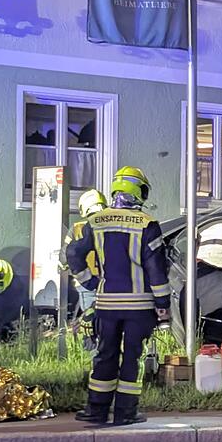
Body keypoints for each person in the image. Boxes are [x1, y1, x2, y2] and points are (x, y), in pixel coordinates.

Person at [67, 167, 170, 426]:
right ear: (138, 191)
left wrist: (89, 282)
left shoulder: (96, 221)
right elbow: (156, 270)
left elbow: (73, 253)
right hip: (139, 306)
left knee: (105, 354)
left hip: (106, 305)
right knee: (132, 358)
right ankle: (125, 412)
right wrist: (163, 305)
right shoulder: (148, 224)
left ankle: (96, 409)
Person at [60, 190, 107, 316]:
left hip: (86, 283)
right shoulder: (113, 225)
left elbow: (65, 256)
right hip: (112, 282)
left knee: (90, 319)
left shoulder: (77, 228)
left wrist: (65, 267)